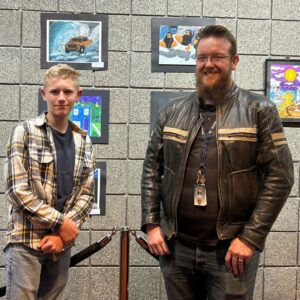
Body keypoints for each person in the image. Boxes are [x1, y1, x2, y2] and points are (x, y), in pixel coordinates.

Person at [141, 25, 294, 299]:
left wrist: (251, 238)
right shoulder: (172, 111)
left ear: (234, 61)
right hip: (177, 249)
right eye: (201, 58)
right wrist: (151, 224)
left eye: (217, 57)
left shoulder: (260, 111)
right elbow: (152, 169)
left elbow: (281, 177)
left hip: (231, 251)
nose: (208, 64)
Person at [4, 64, 95, 300]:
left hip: (61, 245)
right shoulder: (24, 132)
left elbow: (86, 195)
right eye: (55, 92)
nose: (61, 98)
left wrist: (62, 234)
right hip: (26, 242)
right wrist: (61, 223)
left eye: (68, 92)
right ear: (43, 94)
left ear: (78, 95)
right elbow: (16, 191)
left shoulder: (84, 141)